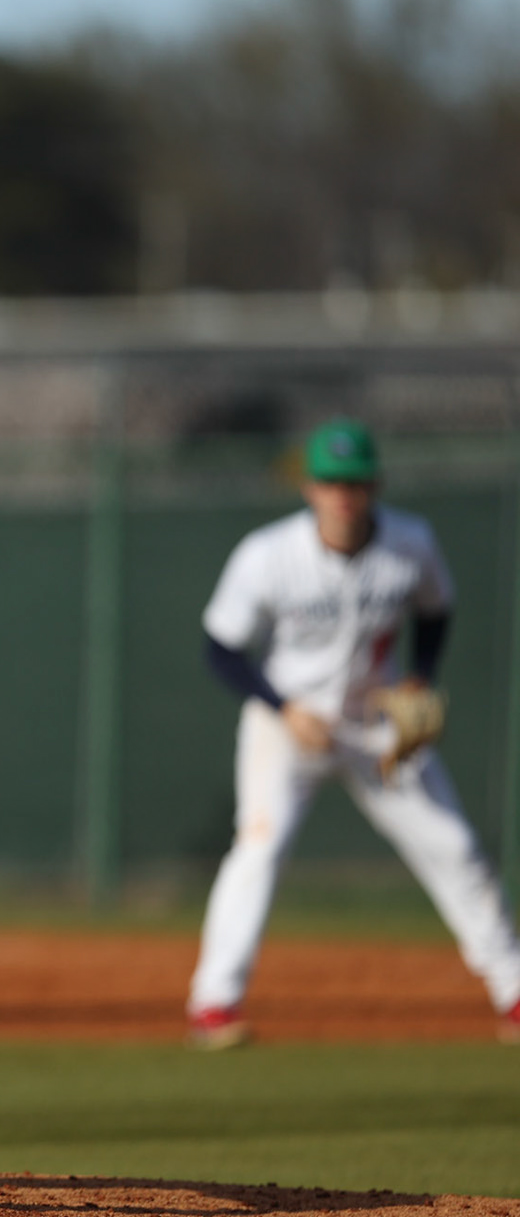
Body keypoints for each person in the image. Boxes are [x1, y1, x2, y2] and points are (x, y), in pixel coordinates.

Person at [187, 418, 520, 1049]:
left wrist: (421, 676)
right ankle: (214, 1004)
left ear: (376, 486)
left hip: (377, 727)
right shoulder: (268, 555)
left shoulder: (410, 543)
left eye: (356, 482)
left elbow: (435, 610)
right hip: (289, 723)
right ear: (310, 487)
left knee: (454, 847)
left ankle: (515, 992)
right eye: (331, 481)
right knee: (258, 849)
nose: (344, 494)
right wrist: (282, 706)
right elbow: (221, 648)